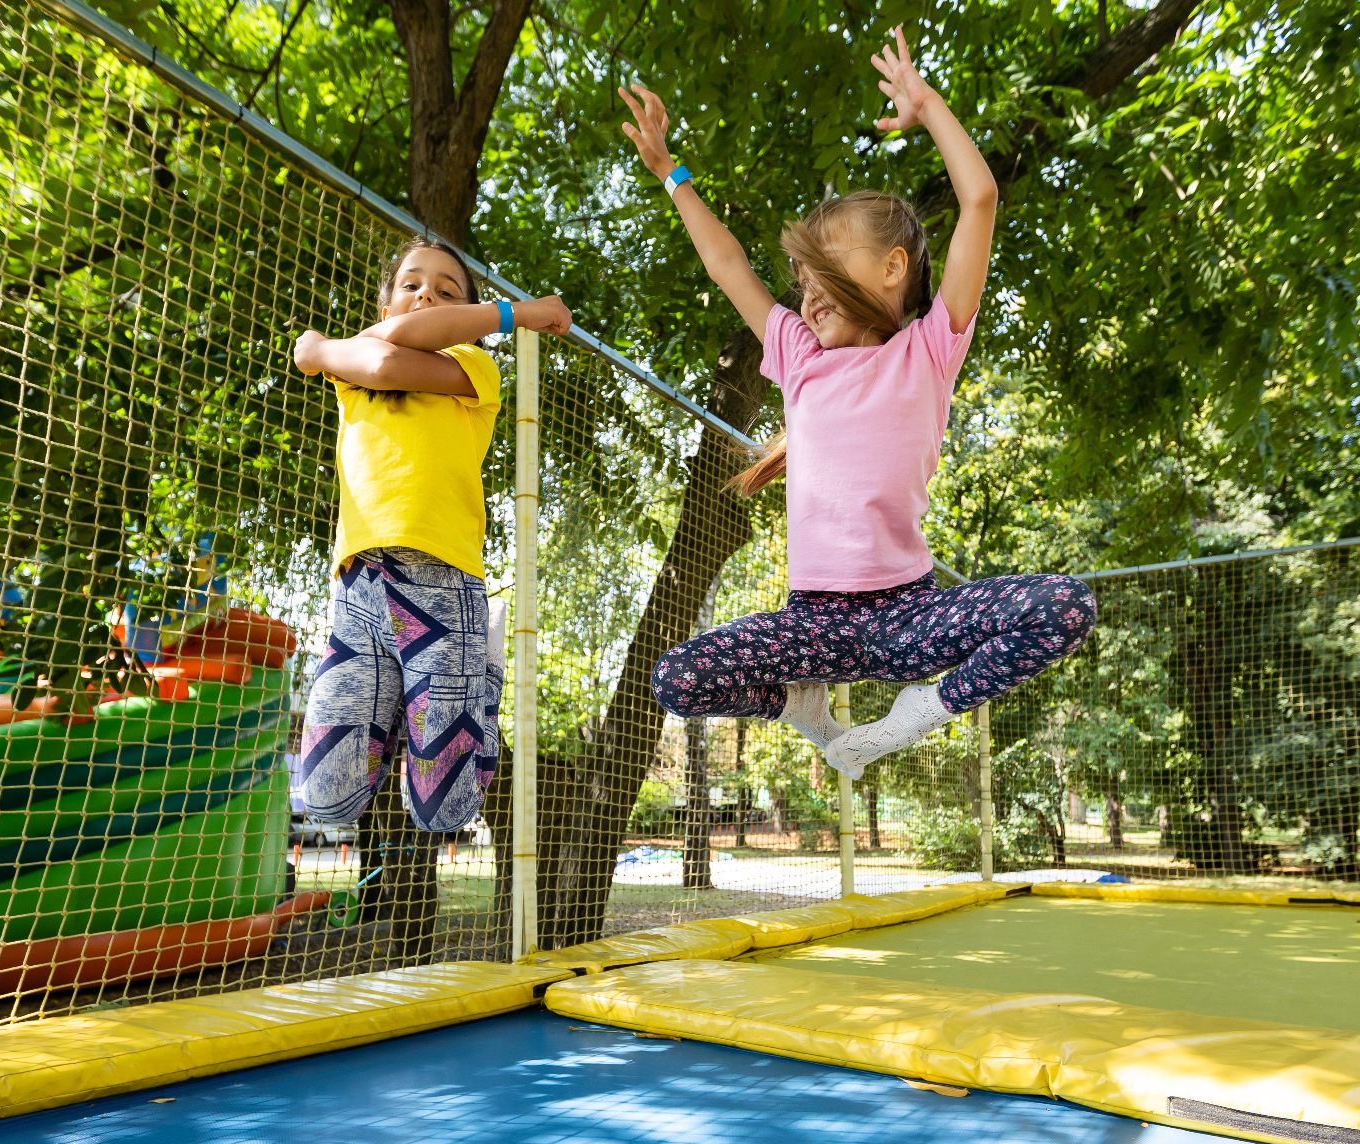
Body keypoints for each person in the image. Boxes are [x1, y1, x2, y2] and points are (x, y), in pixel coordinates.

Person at [621, 25, 1096, 779]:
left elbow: (979, 200)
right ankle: (806, 710)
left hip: (909, 614)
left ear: (892, 267)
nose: (805, 296)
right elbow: (725, 264)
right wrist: (670, 170)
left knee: (1065, 605)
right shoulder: (799, 361)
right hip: (813, 622)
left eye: (823, 272)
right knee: (675, 677)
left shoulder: (931, 348)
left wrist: (929, 106)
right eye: (800, 281)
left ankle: (919, 713)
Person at [292, 238, 571, 830]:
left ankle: (480, 673)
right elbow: (379, 357)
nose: (427, 296)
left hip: (441, 583)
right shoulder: (354, 369)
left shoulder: (472, 367)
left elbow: (390, 362)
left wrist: (316, 348)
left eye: (447, 294)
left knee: (443, 810)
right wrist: (326, 349)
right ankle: (399, 709)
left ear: (468, 324)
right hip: (358, 587)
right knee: (326, 798)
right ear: (386, 307)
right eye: (411, 285)